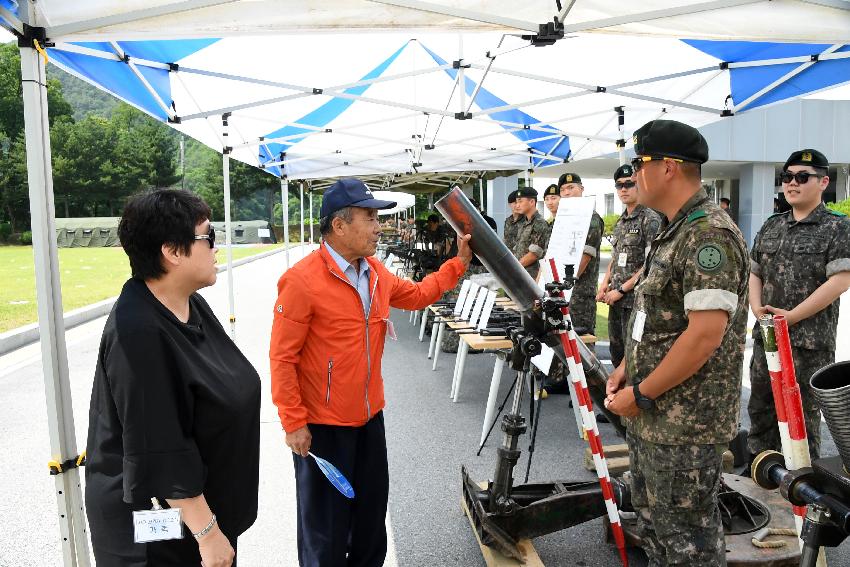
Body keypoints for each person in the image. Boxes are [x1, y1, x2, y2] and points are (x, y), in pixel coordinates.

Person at [269, 178, 472, 567]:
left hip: (368, 420)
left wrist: (457, 265)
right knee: (325, 529)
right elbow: (282, 358)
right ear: (339, 225)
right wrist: (293, 421)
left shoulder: (375, 272)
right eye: (369, 216)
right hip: (323, 427)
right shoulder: (302, 280)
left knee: (369, 519)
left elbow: (414, 296)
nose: (379, 226)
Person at [86, 189, 260, 567]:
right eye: (208, 237)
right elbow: (160, 447)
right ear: (173, 251)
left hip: (201, 518)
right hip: (164, 534)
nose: (218, 247)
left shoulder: (187, 302)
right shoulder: (138, 333)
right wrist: (208, 533)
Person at [605, 119, 748, 566]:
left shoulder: (710, 235)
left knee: (688, 540)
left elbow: (704, 336)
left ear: (668, 168)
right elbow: (656, 316)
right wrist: (628, 367)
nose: (633, 174)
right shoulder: (673, 229)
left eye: (639, 163)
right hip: (656, 415)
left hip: (685, 422)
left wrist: (642, 394)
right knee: (654, 528)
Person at [747, 149, 850, 462]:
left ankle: (804, 491)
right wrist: (756, 307)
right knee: (761, 410)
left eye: (802, 177)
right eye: (787, 177)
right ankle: (759, 476)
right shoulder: (772, 225)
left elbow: (841, 280)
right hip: (766, 338)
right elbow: (754, 270)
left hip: (807, 344)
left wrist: (791, 317)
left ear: (823, 182)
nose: (792, 183)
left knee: (801, 421)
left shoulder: (837, 227)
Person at [596, 164, 662, 367]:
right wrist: (604, 284)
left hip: (635, 301)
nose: (623, 189)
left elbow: (651, 263)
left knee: (633, 357)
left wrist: (622, 290)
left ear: (639, 186)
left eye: (629, 184)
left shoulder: (650, 219)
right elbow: (616, 258)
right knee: (616, 352)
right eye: (619, 185)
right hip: (615, 301)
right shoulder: (621, 222)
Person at [558, 172, 603, 335]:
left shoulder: (592, 218)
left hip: (580, 293)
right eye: (563, 190)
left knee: (581, 341)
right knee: (561, 342)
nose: (567, 192)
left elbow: (584, 258)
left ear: (582, 189)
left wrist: (565, 287)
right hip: (563, 290)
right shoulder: (565, 219)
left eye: (571, 187)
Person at [512, 186, 550, 279]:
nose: (517, 205)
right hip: (520, 273)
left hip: (531, 277)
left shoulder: (539, 223)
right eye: (516, 202)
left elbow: (534, 254)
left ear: (532, 202)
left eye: (520, 201)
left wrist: (513, 267)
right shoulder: (524, 222)